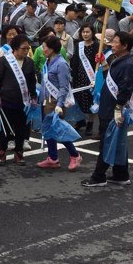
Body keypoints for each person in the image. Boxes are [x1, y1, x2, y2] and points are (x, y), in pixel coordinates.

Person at [83, 32, 133, 187]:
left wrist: (118, 108)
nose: (112, 45)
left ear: (125, 45)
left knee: (106, 143)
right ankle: (121, 175)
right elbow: (110, 80)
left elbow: (125, 89)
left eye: (115, 42)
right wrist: (103, 64)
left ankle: (98, 176)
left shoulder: (127, 65)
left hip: (113, 111)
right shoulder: (117, 60)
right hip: (107, 108)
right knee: (117, 142)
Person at [36, 35, 83, 171]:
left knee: (58, 129)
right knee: (48, 129)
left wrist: (59, 104)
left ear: (51, 49)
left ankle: (75, 155)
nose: (42, 49)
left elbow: (64, 87)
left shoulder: (61, 64)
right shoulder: (48, 61)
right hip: (46, 100)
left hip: (55, 101)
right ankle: (53, 158)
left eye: (44, 47)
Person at [0, 34, 37, 165]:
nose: (26, 51)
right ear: (15, 49)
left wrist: (33, 96)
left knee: (21, 129)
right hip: (6, 101)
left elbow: (32, 82)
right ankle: (1, 153)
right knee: (5, 129)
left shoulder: (29, 62)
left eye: (28, 48)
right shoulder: (4, 61)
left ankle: (19, 153)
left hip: (23, 102)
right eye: (23, 48)